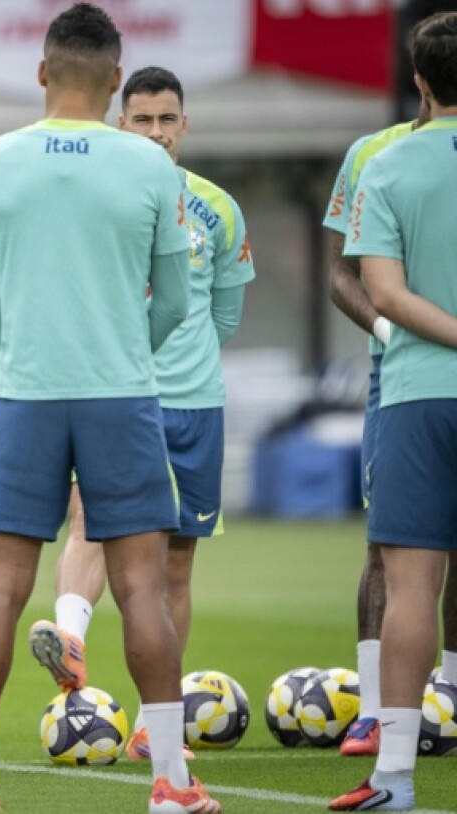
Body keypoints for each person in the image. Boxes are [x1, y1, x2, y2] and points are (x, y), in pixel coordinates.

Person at [0, 5, 223, 813]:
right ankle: (170, 783)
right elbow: (173, 303)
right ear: (115, 76)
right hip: (122, 393)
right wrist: (122, 344)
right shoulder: (150, 167)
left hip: (26, 394)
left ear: (42, 71)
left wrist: (28, 345)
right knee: (142, 590)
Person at [30, 65, 256, 761]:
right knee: (89, 517)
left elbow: (224, 310)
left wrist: (180, 362)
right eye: (142, 120)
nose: (156, 133)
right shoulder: (98, 198)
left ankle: (157, 723)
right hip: (115, 394)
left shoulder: (216, 207)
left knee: (176, 565)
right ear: (119, 124)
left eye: (167, 120)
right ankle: (70, 635)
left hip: (195, 406)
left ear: (183, 125)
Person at [330, 11, 457, 810]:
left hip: (418, 393)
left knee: (411, 587)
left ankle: (396, 779)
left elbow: (381, 294)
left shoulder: (388, 165)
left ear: (418, 81)